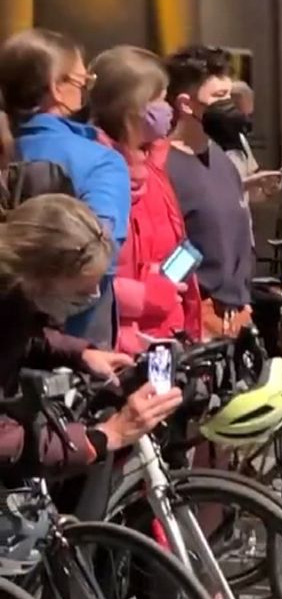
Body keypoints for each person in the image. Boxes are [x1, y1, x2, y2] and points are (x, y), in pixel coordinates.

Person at [0, 194, 183, 472]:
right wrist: (105, 436)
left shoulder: (15, 294)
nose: (94, 297)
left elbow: (21, 337)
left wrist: (81, 353)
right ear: (38, 277)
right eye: (81, 294)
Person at [0, 28, 131, 346]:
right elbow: (100, 256)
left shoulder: (7, 146)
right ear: (57, 88)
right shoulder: (100, 161)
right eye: (83, 82)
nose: (86, 91)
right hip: (75, 343)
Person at [88, 46, 202, 353]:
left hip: (168, 334)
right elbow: (85, 275)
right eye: (160, 99)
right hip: (124, 347)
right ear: (133, 106)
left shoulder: (154, 166)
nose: (167, 108)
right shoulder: (97, 174)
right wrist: (147, 295)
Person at [164, 45, 256, 338]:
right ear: (186, 104)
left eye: (229, 96)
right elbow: (169, 248)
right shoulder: (163, 166)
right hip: (195, 315)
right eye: (218, 98)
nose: (228, 106)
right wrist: (199, 295)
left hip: (238, 313)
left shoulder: (222, 158)